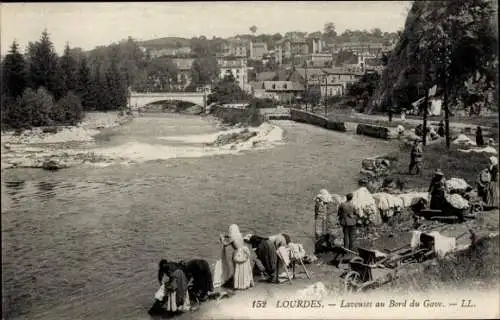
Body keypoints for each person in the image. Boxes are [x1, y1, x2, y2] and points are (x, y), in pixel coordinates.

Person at [219, 224, 254, 290]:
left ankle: (239, 285)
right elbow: (231, 237)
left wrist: (222, 239)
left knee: (238, 269)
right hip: (244, 251)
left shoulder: (232, 238)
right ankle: (246, 283)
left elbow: (225, 244)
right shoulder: (240, 235)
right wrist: (226, 235)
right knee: (244, 268)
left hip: (238, 253)